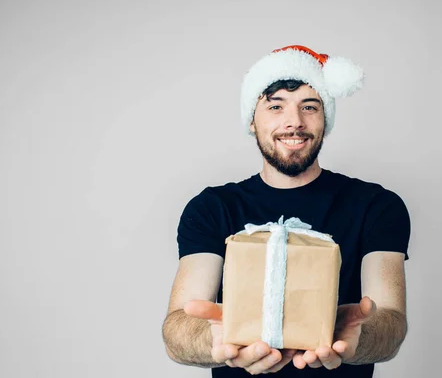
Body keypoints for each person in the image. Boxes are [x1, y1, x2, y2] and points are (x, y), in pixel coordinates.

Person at [162, 45, 411, 377]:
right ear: (252, 120)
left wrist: (358, 338)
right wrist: (215, 341)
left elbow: (390, 321)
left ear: (326, 119)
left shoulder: (375, 206)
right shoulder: (212, 208)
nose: (294, 122)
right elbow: (178, 326)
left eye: (310, 106)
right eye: (275, 106)